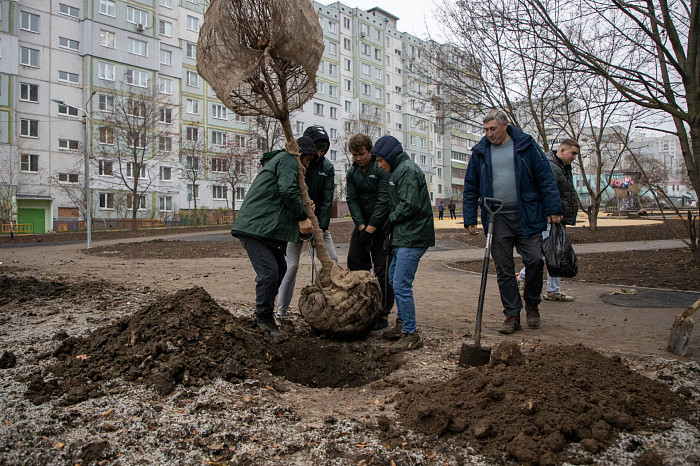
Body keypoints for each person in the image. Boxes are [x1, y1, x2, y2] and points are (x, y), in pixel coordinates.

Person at [463, 109, 562, 334]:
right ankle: (512, 314)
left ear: (505, 125)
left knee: (535, 261)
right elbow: (470, 187)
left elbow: (545, 178)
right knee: (504, 269)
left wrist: (554, 208)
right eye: (486, 130)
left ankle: (532, 303)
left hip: (527, 213)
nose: (489, 134)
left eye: (493, 129)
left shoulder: (526, 146)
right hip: (496, 218)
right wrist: (470, 217)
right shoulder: (480, 152)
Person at [231, 137, 316, 335]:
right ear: (300, 155)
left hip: (264, 228)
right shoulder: (287, 160)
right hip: (255, 226)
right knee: (268, 273)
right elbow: (286, 190)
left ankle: (265, 313)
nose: (308, 165)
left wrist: (305, 206)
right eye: (308, 160)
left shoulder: (284, 163)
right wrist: (302, 217)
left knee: (281, 267)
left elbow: (283, 196)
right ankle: (263, 316)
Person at [373, 135, 435, 353]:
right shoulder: (397, 170)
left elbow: (410, 205)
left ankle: (411, 333)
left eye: (381, 160)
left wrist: (391, 220)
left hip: (414, 236)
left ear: (390, 156)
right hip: (403, 236)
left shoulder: (407, 170)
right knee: (392, 278)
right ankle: (401, 324)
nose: (379, 165)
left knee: (400, 283)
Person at [277, 125, 338, 316]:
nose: (320, 154)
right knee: (291, 265)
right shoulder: (295, 163)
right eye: (317, 149)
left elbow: (327, 200)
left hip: (317, 224)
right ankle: (281, 312)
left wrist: (319, 227)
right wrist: (300, 219)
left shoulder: (327, 168)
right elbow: (289, 193)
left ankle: (332, 307)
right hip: (296, 223)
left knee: (332, 260)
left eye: (323, 150)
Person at [518, 139, 580, 301]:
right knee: (547, 251)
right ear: (562, 151)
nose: (574, 157)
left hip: (558, 217)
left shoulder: (562, 167)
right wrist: (550, 211)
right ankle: (522, 276)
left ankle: (553, 290)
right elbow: (546, 191)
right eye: (573, 153)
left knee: (556, 252)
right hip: (549, 217)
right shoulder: (551, 166)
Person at [345, 133, 394, 330]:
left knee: (383, 269)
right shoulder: (352, 172)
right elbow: (352, 200)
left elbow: (383, 200)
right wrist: (361, 227)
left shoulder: (380, 169)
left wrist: (372, 228)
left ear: (370, 151)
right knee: (354, 263)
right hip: (362, 226)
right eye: (354, 155)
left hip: (381, 226)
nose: (358, 158)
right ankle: (360, 308)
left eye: (361, 154)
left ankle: (382, 313)